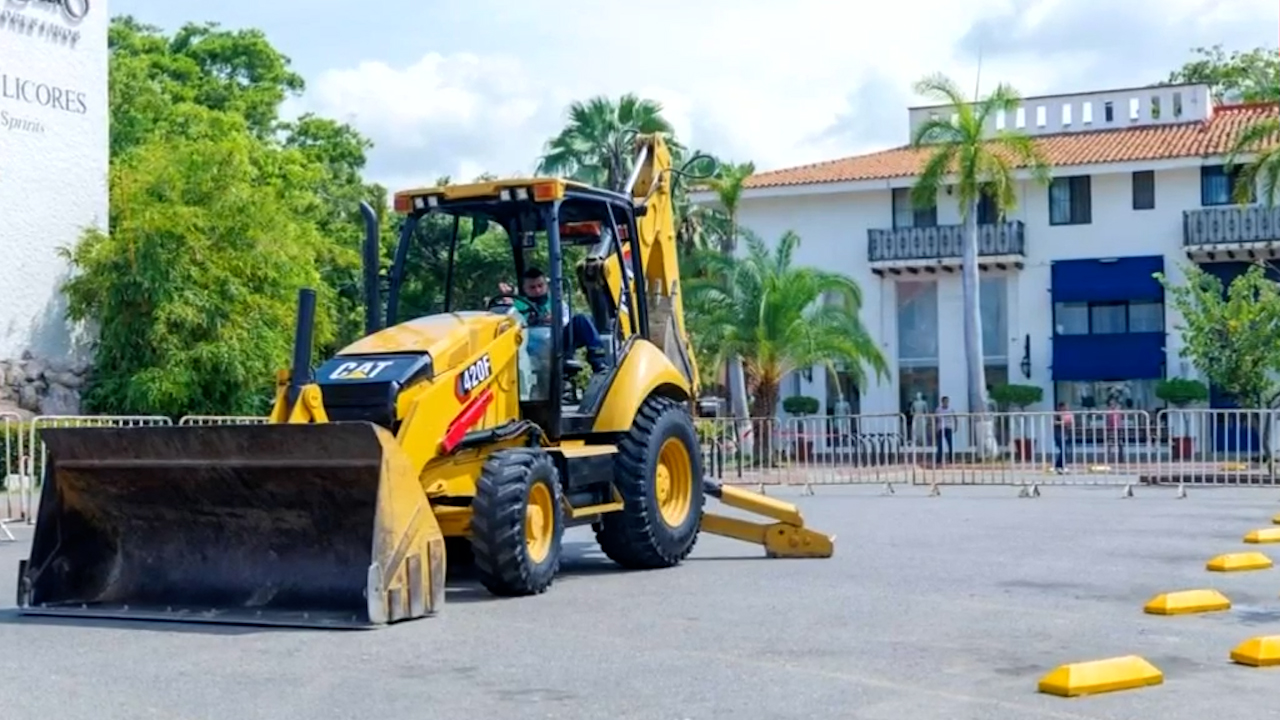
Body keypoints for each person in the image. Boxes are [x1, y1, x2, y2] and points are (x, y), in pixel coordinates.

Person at [497, 267, 608, 373]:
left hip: (557, 344)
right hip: (530, 348)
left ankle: (598, 360)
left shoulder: (556, 302)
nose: (537, 290)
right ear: (524, 288)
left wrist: (557, 320)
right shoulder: (517, 305)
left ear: (546, 285)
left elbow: (566, 318)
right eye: (532, 287)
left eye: (540, 285)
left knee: (581, 320)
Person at [934, 395, 955, 465]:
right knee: (940, 445)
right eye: (945, 401)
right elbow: (936, 420)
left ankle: (951, 459)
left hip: (948, 427)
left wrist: (955, 427)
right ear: (942, 402)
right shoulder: (938, 410)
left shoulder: (951, 409)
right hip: (940, 428)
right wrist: (935, 428)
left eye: (947, 401)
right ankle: (939, 460)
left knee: (950, 444)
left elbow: (955, 418)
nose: (946, 403)